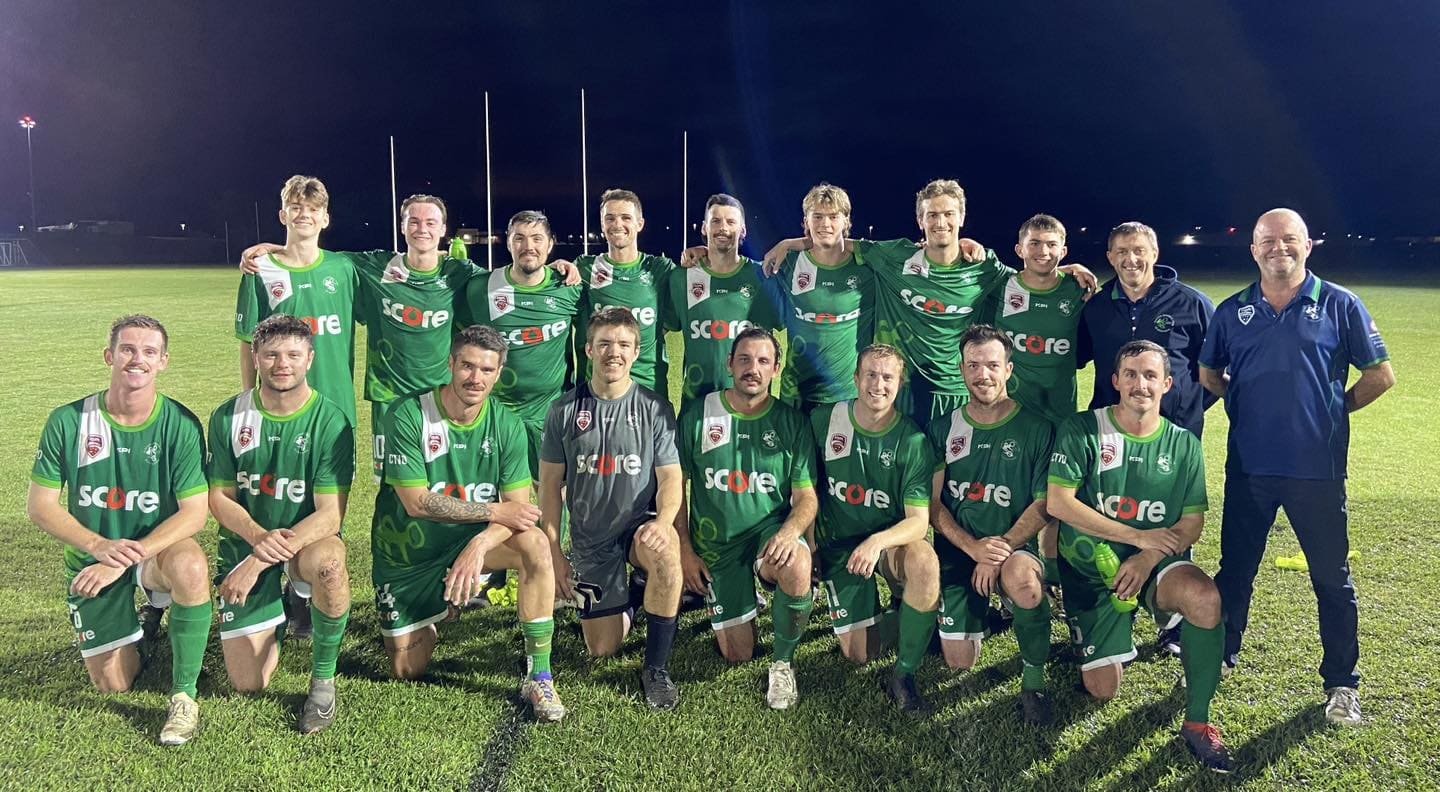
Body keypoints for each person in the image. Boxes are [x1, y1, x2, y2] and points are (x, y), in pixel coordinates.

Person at [1199, 208, 1395, 726]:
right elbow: (1207, 373)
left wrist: (1334, 408)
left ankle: (1341, 683)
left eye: (1289, 240)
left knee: (1332, 579)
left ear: (1308, 246)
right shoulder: (1233, 310)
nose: (1277, 249)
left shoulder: (1339, 303)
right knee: (1236, 571)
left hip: (1317, 469)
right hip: (1250, 467)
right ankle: (1218, 658)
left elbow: (1381, 374)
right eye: (1267, 241)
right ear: (1253, 248)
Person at [1047, 340, 1232, 773]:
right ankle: (1088, 618)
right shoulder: (1082, 429)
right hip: (1094, 571)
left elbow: (1190, 525)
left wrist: (1146, 557)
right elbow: (1059, 503)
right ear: (1114, 381)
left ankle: (1198, 723)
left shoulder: (1184, 444)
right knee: (1102, 690)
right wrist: (1136, 536)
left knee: (1206, 599)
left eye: (1150, 376)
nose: (1140, 384)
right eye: (1130, 374)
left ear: (1166, 384)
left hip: (1152, 565)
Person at [27, 315, 212, 746]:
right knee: (114, 684)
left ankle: (184, 696)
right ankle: (148, 619)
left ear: (163, 362)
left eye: (149, 352)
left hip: (154, 551)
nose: (137, 359)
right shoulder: (68, 422)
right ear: (110, 356)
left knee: (191, 566)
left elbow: (194, 514)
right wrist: (99, 546)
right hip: (94, 556)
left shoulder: (180, 425)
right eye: (128, 349)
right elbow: (39, 507)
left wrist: (128, 556)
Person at [370, 325, 565, 722]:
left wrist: (477, 547)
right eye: (467, 366)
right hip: (410, 555)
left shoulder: (507, 426)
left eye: (487, 370)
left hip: (470, 547)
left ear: (498, 374)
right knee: (408, 670)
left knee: (535, 543)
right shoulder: (409, 414)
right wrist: (492, 513)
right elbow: (417, 502)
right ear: (451, 364)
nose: (475, 378)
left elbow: (520, 511)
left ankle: (539, 675)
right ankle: (441, 606)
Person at [206, 315, 354, 733]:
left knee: (329, 563)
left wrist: (259, 561)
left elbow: (330, 514)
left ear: (310, 358)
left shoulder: (331, 421)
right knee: (248, 683)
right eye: (271, 354)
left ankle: (323, 682)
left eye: (292, 354)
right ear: (255, 358)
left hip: (307, 542)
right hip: (246, 541)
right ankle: (286, 604)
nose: (281, 364)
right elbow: (219, 498)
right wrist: (256, 542)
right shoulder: (228, 417)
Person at [540, 308, 685, 709]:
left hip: (639, 528)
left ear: (637, 352)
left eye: (623, 344)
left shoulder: (655, 408)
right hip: (591, 541)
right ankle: (639, 594)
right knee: (602, 648)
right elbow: (551, 487)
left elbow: (672, 477)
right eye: (604, 343)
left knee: (665, 553)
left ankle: (656, 670)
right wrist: (555, 554)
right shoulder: (563, 411)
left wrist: (665, 522)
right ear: (588, 349)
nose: (613, 352)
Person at [676, 328, 818, 708]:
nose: (752, 369)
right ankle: (744, 594)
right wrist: (686, 552)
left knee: (797, 561)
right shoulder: (698, 414)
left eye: (762, 361)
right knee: (737, 654)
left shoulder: (792, 422)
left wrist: (790, 533)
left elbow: (806, 497)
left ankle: (783, 665)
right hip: (716, 547)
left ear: (775, 369)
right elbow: (676, 491)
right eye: (744, 360)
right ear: (729, 364)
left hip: (766, 534)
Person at [927, 325, 1055, 724]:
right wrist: (972, 549)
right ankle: (975, 611)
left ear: (1009, 369)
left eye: (992, 366)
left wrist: (999, 549)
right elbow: (932, 505)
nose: (983, 375)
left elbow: (1044, 503)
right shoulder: (943, 427)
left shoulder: (1036, 428)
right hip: (960, 550)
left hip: (1013, 549)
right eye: (974, 365)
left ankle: (1034, 683)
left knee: (1023, 580)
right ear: (962, 370)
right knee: (959, 662)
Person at [812, 344, 941, 716]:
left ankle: (904, 675)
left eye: (888, 377)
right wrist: (811, 545)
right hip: (838, 545)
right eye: (870, 374)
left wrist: (876, 542)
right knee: (860, 654)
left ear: (899, 384)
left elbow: (919, 520)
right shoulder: (824, 421)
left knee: (924, 563)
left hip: (885, 545)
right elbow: (803, 490)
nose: (878, 385)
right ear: (855, 378)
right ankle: (913, 615)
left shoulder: (913, 441)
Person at [459, 210, 582, 477]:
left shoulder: (569, 286)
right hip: (497, 410)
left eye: (537, 239)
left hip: (551, 409)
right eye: (520, 238)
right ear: (508, 242)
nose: (529, 246)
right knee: (497, 497)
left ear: (550, 244)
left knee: (552, 491)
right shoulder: (481, 288)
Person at [235, 175, 360, 429]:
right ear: (283, 215)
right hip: (279, 404)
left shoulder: (344, 268)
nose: (305, 214)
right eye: (296, 207)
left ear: (325, 219)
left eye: (313, 209)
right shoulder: (259, 270)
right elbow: (248, 341)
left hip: (337, 405)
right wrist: (249, 398)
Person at [1076, 221, 1216, 437]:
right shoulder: (1096, 306)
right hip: (1109, 432)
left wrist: (1184, 405)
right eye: (1121, 251)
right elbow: (1071, 358)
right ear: (1110, 257)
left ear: (1154, 253)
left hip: (1175, 431)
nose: (1130, 259)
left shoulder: (1193, 304)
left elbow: (1218, 368)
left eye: (1139, 251)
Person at [664, 194, 783, 406]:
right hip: (697, 405)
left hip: (751, 407)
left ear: (743, 230)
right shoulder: (681, 278)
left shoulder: (764, 278)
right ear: (704, 228)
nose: (723, 228)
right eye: (716, 221)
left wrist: (789, 244)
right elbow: (659, 331)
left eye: (731, 222)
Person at [571, 189, 677, 399]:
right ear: (602, 225)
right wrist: (557, 265)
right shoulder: (585, 268)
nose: (617, 224)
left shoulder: (660, 269)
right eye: (610, 218)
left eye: (626, 218)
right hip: (596, 391)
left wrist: (702, 250)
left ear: (640, 224)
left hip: (648, 389)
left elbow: (673, 321)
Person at [995, 214, 1089, 424]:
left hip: (1060, 410)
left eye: (1051, 244)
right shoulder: (1001, 287)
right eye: (1034, 243)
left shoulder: (1078, 290)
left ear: (1063, 252)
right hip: (1011, 408)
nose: (1043, 251)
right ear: (1020, 249)